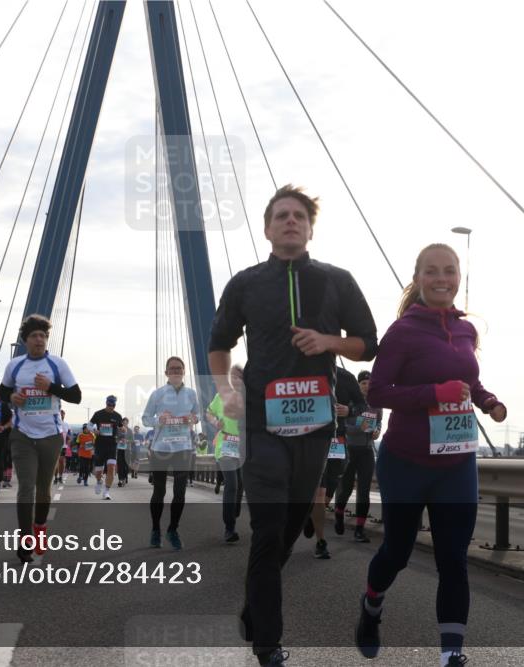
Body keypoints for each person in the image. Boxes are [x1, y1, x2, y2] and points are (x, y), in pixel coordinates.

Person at [208, 185, 378, 666]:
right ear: (267, 228)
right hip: (261, 422)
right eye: (281, 215)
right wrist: (226, 392)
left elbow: (369, 343)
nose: (289, 221)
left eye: (298, 216)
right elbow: (219, 344)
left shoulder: (337, 280)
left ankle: (254, 608)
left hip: (315, 426)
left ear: (309, 227)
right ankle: (269, 645)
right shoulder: (244, 283)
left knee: (287, 527)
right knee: (266, 529)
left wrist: (328, 340)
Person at [354, 244, 506, 667]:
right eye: (433, 271)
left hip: (456, 463)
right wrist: (431, 395)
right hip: (405, 462)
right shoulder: (402, 332)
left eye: (450, 271)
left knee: (453, 560)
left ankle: (451, 654)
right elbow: (380, 393)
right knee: (398, 553)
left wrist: (489, 401)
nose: (443, 279)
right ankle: (371, 606)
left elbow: (467, 384)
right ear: (418, 278)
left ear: (459, 276)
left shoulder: (465, 331)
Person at [0, 314, 81, 563]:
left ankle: (40, 528)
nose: (39, 340)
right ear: (26, 340)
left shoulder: (58, 364)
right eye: (34, 336)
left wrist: (51, 387)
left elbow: (76, 396)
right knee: (25, 487)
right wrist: (11, 397)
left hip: (51, 436)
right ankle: (25, 541)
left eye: (43, 336)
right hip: (22, 434)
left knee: (43, 488)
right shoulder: (15, 365)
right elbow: (3, 390)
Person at [304, 366, 365, 559]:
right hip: (313, 441)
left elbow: (362, 405)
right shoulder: (304, 372)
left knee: (328, 493)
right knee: (320, 494)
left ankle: (311, 519)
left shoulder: (346, 377)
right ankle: (321, 542)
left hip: (338, 442)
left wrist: (349, 410)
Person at [142, 356, 199, 550]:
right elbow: (145, 418)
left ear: (184, 372)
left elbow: (197, 415)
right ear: (166, 373)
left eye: (179, 368)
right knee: (159, 491)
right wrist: (159, 420)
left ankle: (173, 529)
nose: (176, 371)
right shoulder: (157, 394)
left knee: (180, 493)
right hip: (161, 448)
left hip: (183, 448)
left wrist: (193, 417)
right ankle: (155, 530)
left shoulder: (191, 394)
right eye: (172, 369)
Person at [334, 369, 381, 542]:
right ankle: (339, 513)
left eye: (369, 383)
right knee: (345, 488)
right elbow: (344, 424)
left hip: (367, 450)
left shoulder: (376, 403)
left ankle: (359, 530)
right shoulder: (350, 402)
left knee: (364, 491)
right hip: (350, 448)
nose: (367, 386)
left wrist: (376, 430)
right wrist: (361, 427)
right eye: (363, 383)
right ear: (358, 385)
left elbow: (379, 422)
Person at [205, 364, 246, 544]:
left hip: (243, 447)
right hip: (226, 444)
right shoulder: (221, 396)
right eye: (233, 377)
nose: (236, 380)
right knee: (232, 484)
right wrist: (214, 421)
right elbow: (208, 412)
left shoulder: (249, 398)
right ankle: (229, 528)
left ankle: (233, 512)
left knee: (240, 486)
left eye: (240, 377)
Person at [89, 396, 123, 500]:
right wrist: (94, 430)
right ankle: (99, 481)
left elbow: (121, 428)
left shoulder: (117, 416)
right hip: (100, 445)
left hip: (112, 445)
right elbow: (89, 425)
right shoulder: (98, 414)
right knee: (98, 472)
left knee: (111, 468)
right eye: (109, 404)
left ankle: (107, 491)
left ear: (115, 405)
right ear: (106, 403)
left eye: (112, 405)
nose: (110, 407)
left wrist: (123, 430)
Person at [55, 409, 69, 485]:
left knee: (61, 461)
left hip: (64, 446)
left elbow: (69, 434)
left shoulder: (66, 424)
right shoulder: (55, 423)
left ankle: (60, 476)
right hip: (55, 445)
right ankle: (55, 477)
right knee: (56, 462)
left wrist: (69, 440)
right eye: (60, 414)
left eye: (63, 414)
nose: (62, 415)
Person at [116, 417, 131, 486]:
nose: (124, 424)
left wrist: (127, 441)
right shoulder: (118, 430)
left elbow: (132, 440)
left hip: (127, 450)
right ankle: (120, 479)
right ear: (121, 423)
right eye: (123, 422)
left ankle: (125, 477)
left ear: (128, 423)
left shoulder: (130, 430)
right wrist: (118, 440)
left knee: (126, 465)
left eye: (126, 422)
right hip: (120, 449)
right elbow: (115, 438)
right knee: (120, 465)